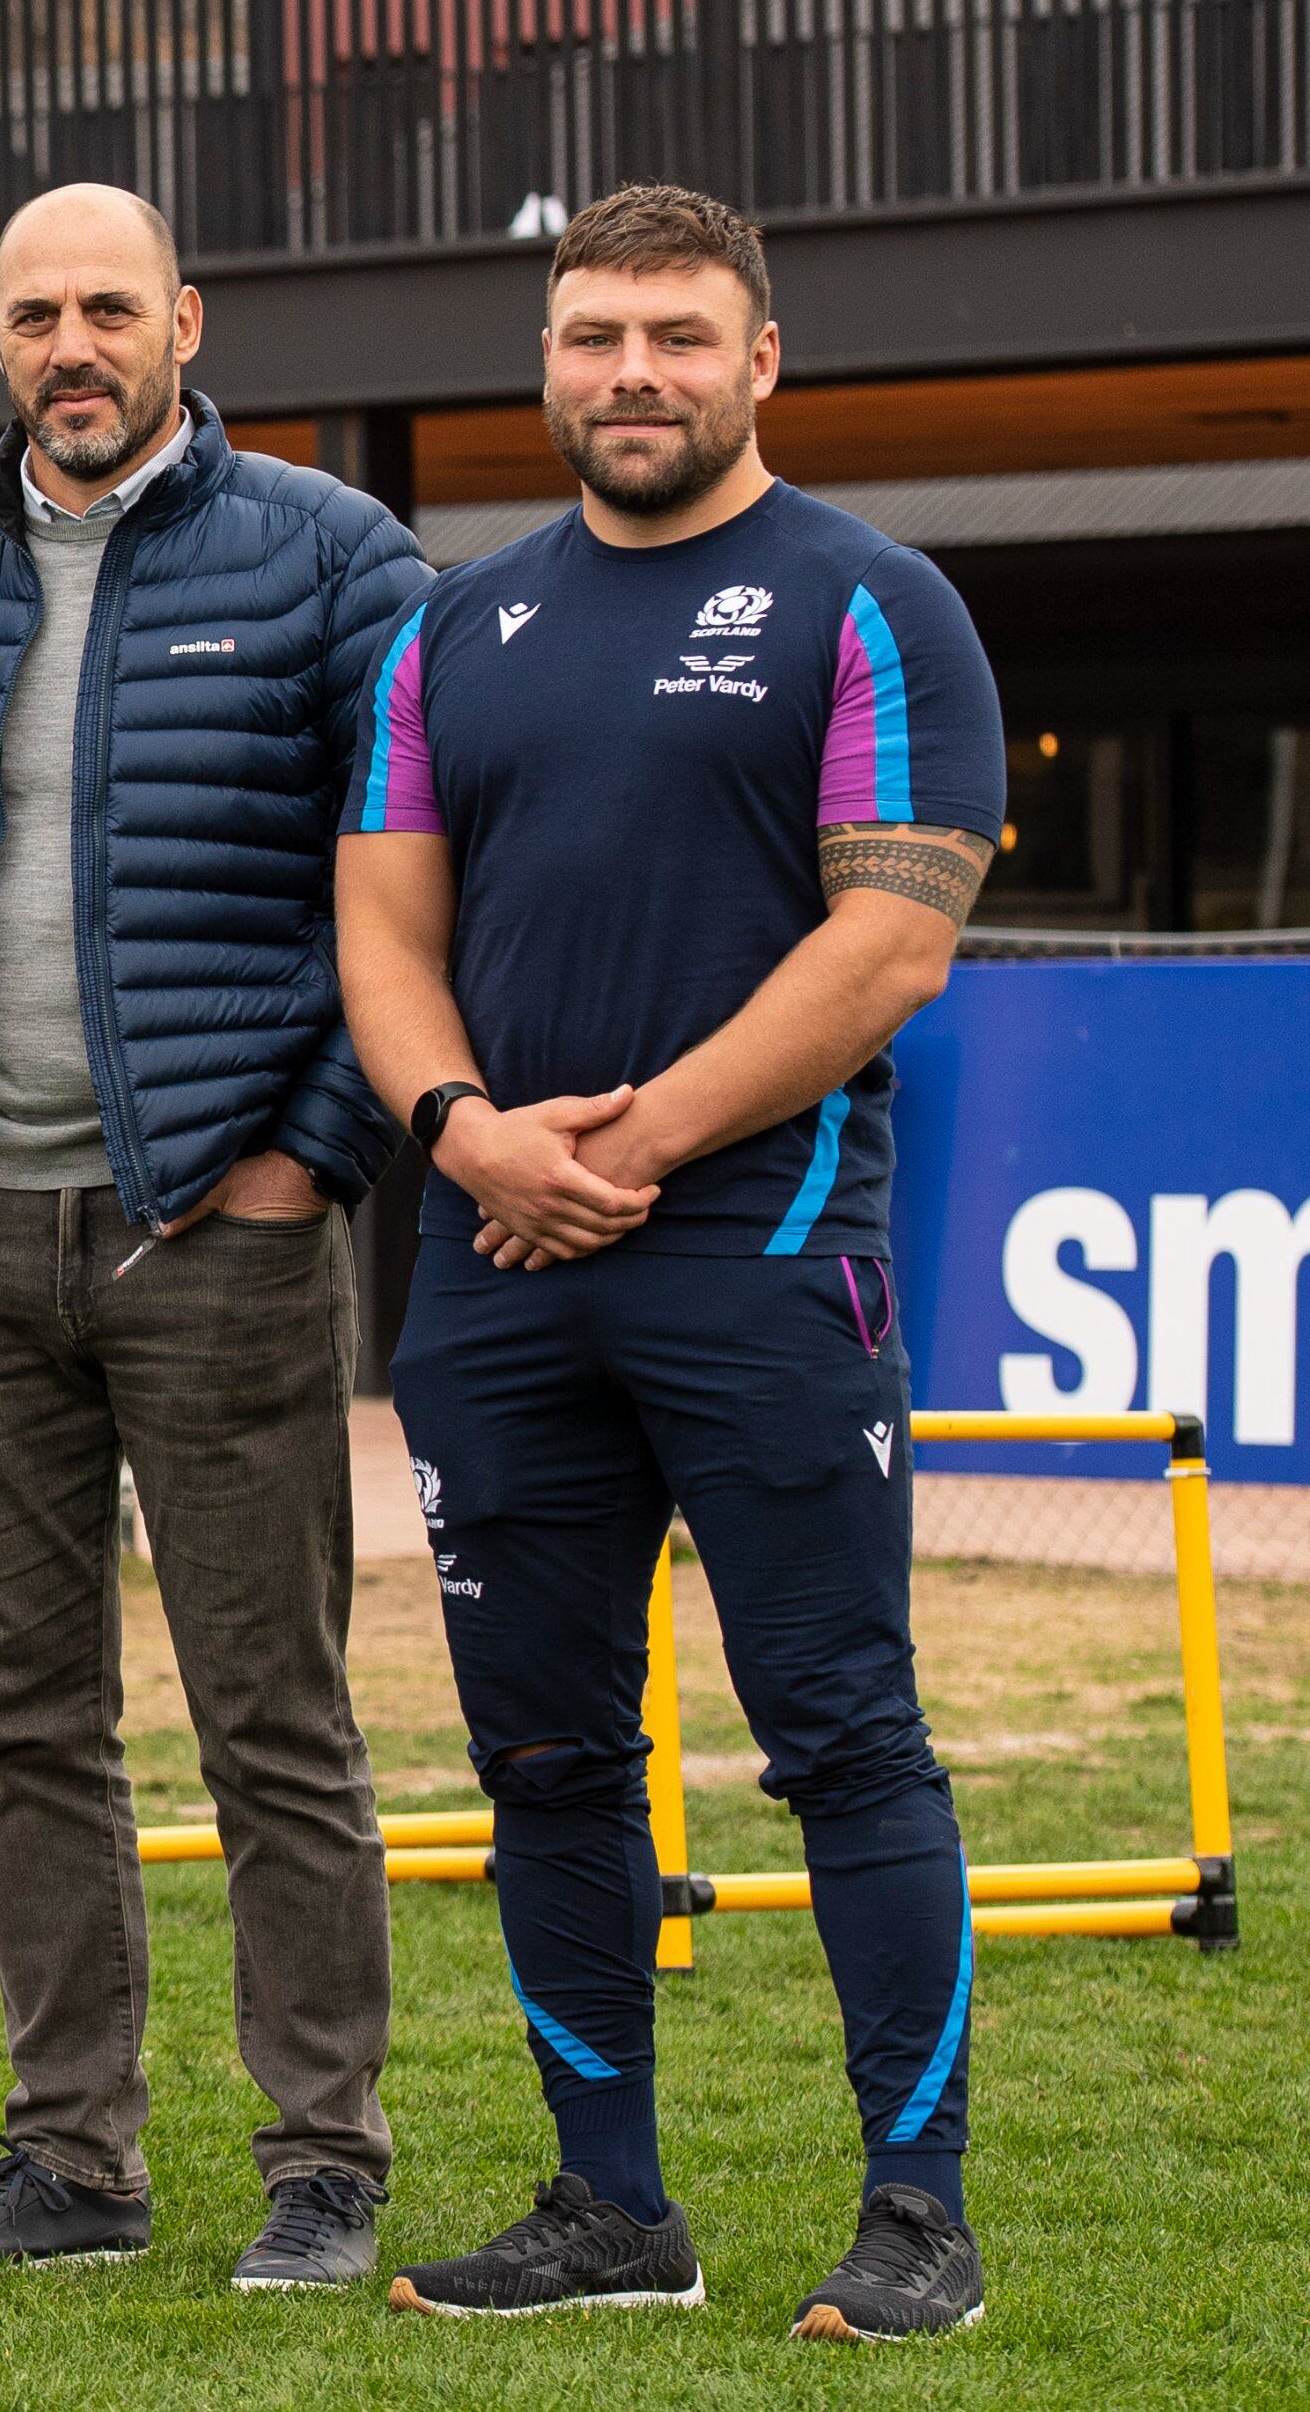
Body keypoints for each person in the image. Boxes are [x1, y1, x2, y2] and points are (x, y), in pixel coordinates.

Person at [335, 185, 1004, 2340]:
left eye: (675, 338)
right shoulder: (453, 627)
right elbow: (380, 924)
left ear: (756, 363)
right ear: (545, 359)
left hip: (755, 1247)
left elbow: (890, 932)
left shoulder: (866, 602)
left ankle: (914, 2216)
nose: (630, 373)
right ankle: (603, 2210)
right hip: (494, 1254)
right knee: (541, 1756)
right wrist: (461, 1131)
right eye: (594, 335)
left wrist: (633, 1140)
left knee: (837, 1735)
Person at [0, 184, 420, 2290]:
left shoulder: (332, 559)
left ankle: (319, 2161)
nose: (68, 345)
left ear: (182, 317)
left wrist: (303, 1160)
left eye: (103, 308)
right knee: (27, 1726)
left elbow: (421, 882)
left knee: (274, 1719)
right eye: (29, 312)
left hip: (221, 1245)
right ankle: (69, 2157)